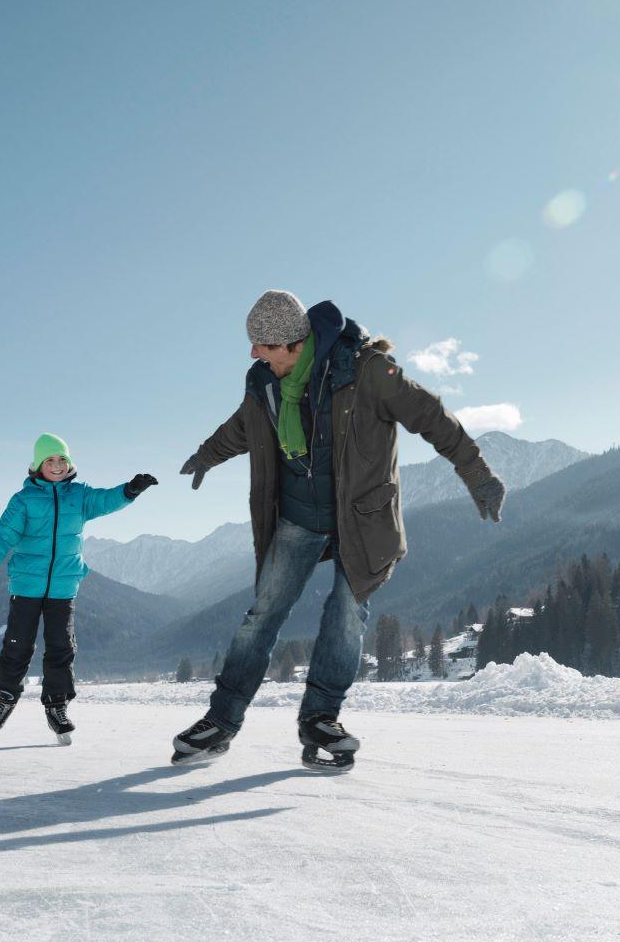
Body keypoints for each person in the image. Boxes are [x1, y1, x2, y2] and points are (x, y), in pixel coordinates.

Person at [168, 290, 505, 772]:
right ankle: (220, 721)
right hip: (297, 518)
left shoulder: (365, 371)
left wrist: (477, 473)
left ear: (294, 343)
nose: (254, 352)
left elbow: (432, 416)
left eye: (264, 344)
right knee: (261, 616)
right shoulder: (264, 382)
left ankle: (320, 719)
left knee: (346, 614)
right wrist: (207, 454)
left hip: (361, 519)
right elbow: (244, 426)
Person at [0, 433, 157, 742]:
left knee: (61, 647)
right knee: (17, 644)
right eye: (50, 460)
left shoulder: (79, 495)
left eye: (62, 459)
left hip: (63, 586)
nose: (57, 465)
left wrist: (129, 490)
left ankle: (56, 705)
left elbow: (105, 500)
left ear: (69, 463)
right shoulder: (24, 500)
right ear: (38, 464)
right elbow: (3, 535)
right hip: (27, 585)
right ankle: (6, 697)